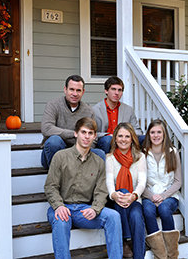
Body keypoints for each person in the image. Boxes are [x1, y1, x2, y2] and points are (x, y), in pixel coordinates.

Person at [44, 117, 123, 259]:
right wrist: (58, 206)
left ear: (94, 137)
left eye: (90, 133)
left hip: (83, 210)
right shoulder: (60, 157)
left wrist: (95, 208)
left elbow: (101, 190)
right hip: (62, 207)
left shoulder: (98, 162)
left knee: (114, 216)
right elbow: (51, 186)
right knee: (61, 221)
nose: (86, 137)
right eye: (83, 132)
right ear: (76, 134)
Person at [40, 74, 105, 169]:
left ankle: (97, 182)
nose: (75, 93)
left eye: (78, 90)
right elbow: (47, 128)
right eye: (72, 89)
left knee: (100, 154)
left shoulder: (88, 110)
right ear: (65, 89)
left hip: (78, 151)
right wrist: (74, 134)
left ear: (83, 92)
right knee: (54, 141)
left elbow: (93, 138)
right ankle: (57, 178)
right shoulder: (53, 105)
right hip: (55, 152)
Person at [106, 123, 147, 259]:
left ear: (132, 139)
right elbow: (109, 181)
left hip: (134, 199)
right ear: (115, 139)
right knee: (121, 190)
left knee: (136, 216)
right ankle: (128, 239)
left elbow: (142, 182)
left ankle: (134, 249)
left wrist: (134, 196)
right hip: (116, 200)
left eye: (127, 136)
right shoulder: (110, 158)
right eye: (120, 136)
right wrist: (113, 195)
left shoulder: (140, 157)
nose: (123, 139)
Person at [141, 119, 182, 259]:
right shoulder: (143, 153)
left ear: (164, 134)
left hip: (169, 195)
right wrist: (151, 196)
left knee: (164, 209)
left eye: (159, 132)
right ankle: (161, 255)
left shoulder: (172, 152)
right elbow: (139, 181)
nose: (156, 135)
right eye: (152, 132)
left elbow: (178, 181)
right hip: (148, 194)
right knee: (147, 210)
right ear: (148, 134)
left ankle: (172, 255)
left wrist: (163, 196)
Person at [93, 76, 144, 154]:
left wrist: (126, 136)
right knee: (107, 140)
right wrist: (108, 135)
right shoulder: (95, 110)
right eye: (113, 89)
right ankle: (106, 164)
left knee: (144, 139)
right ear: (106, 91)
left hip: (124, 141)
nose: (117, 93)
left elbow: (138, 131)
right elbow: (92, 133)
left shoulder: (128, 110)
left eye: (119, 90)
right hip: (105, 142)